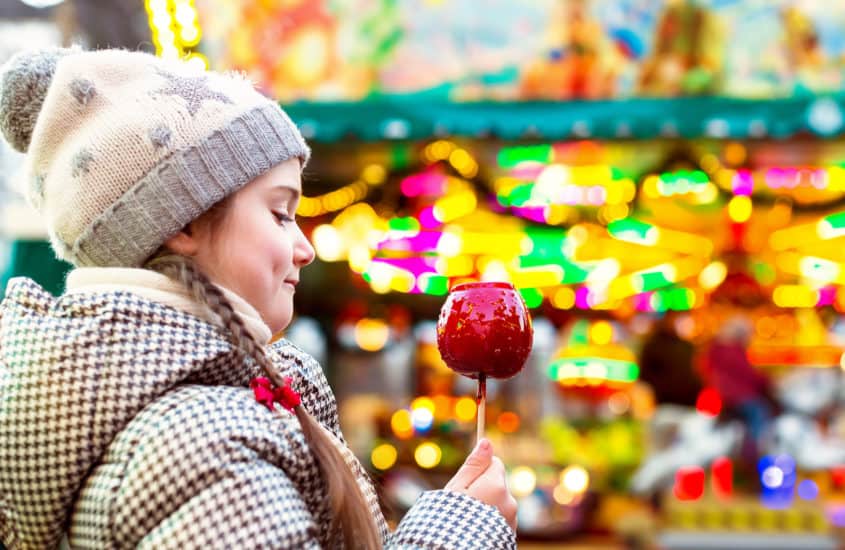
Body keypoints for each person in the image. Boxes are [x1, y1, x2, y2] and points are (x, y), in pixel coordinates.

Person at [0, 48, 517, 549]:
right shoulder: (200, 449)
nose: (305, 248)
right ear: (184, 222)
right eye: (279, 213)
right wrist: (462, 535)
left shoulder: (146, 413)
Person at [703, 314, 774, 445]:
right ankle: (755, 446)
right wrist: (768, 381)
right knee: (759, 411)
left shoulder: (717, 350)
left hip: (725, 394)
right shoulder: (732, 352)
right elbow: (748, 374)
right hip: (738, 396)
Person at [638, 311, 703, 407]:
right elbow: (646, 376)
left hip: (688, 404)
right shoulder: (654, 345)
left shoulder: (687, 346)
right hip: (665, 404)